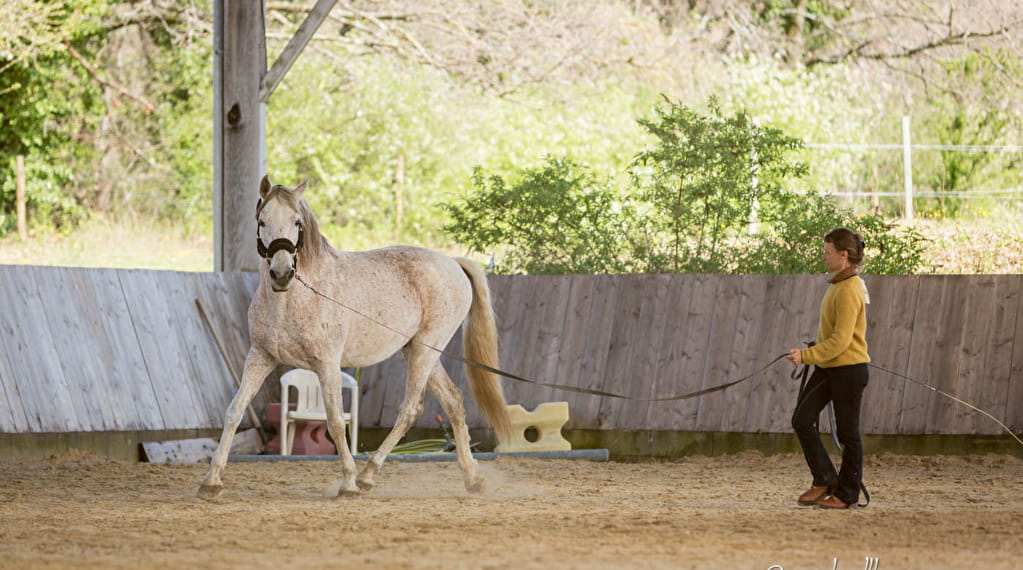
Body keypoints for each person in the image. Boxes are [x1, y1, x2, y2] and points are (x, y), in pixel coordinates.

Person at [785, 227, 870, 509]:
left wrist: (806, 355)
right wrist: (814, 352)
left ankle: (847, 494)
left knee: (848, 434)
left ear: (843, 255)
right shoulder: (838, 285)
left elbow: (841, 341)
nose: (824, 257)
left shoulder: (850, 290)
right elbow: (832, 338)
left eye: (828, 252)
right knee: (801, 419)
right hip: (829, 366)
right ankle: (824, 478)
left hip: (848, 369)